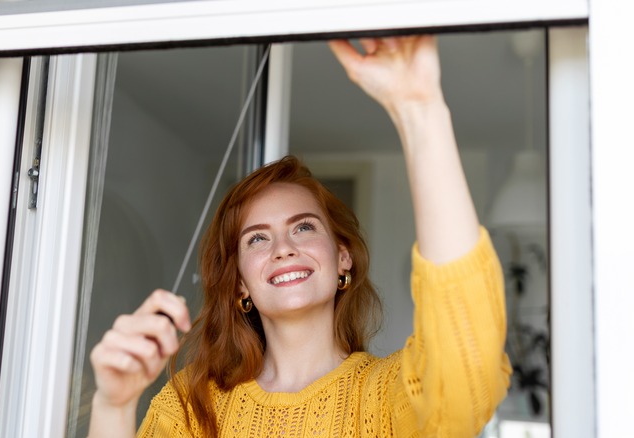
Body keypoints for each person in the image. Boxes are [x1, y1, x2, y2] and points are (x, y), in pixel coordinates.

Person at [88, 35, 511, 437]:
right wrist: (114, 405)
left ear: (342, 257)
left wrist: (421, 110)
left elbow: (467, 364)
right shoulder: (190, 406)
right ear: (239, 282)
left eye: (303, 227)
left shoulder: (389, 396)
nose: (283, 249)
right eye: (257, 239)